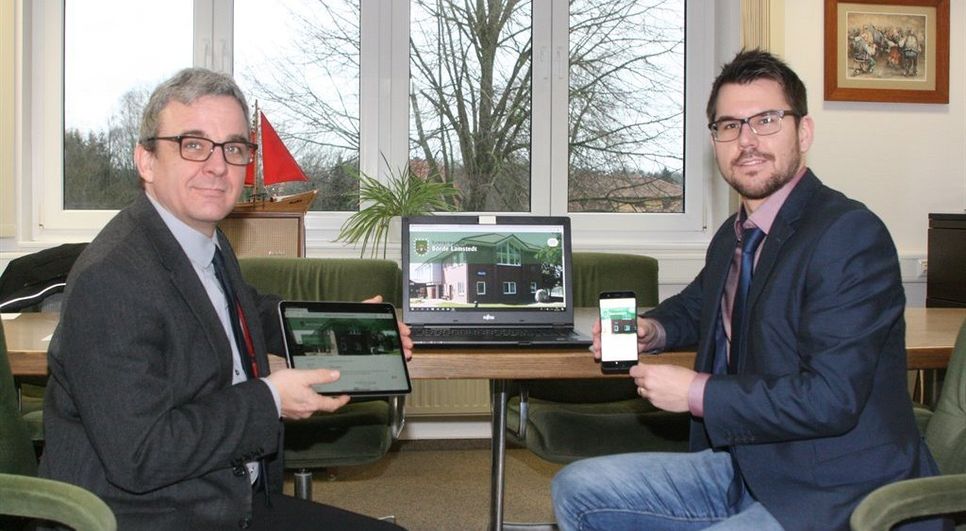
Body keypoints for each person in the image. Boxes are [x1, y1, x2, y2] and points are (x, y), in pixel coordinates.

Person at [551, 50, 942, 531]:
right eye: (730, 125)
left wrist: (698, 392)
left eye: (766, 120)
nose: (747, 140)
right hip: (750, 466)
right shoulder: (736, 234)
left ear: (804, 132)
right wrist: (654, 329)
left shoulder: (848, 235)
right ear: (715, 141)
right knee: (577, 489)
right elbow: (701, 304)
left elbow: (830, 397)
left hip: (836, 489)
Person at [39, 68, 411, 530]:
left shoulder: (200, 240)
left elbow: (246, 310)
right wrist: (270, 399)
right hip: (154, 515)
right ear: (146, 161)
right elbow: (142, 453)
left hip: (228, 498)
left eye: (234, 148)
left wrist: (346, 325)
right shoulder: (111, 280)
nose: (217, 166)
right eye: (193, 145)